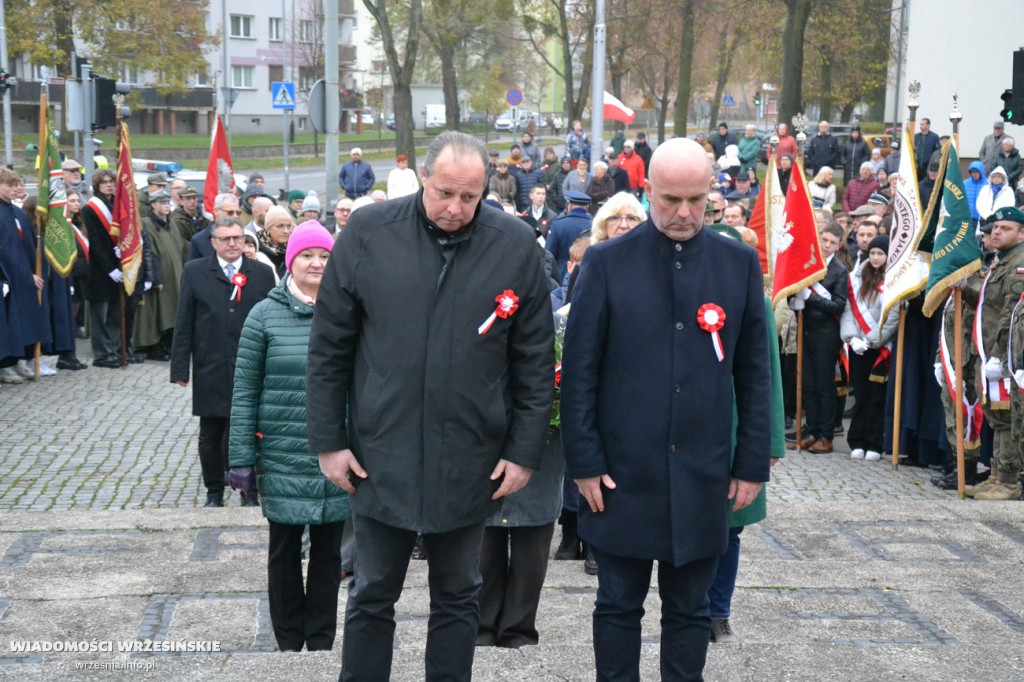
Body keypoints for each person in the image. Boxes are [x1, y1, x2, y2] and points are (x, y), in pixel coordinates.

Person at [306, 131, 554, 682]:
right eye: (445, 193)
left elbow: (534, 360)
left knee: (459, 595)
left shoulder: (513, 244)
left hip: (471, 455)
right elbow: (329, 346)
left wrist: (523, 451)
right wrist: (329, 441)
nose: (455, 209)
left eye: (470, 197)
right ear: (422, 177)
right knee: (371, 592)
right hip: (379, 451)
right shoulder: (369, 233)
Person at [561, 137, 770, 680]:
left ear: (712, 193)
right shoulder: (605, 263)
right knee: (616, 606)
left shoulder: (739, 264)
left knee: (690, 611)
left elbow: (754, 375)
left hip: (702, 474)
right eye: (671, 199)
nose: (683, 213)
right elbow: (579, 372)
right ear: (647, 190)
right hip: (619, 476)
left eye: (696, 200)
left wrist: (751, 464)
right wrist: (583, 462)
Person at [229, 220, 350, 652]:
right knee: (283, 551)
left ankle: (319, 639)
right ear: (290, 260)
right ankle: (287, 638)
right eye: (307, 256)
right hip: (281, 451)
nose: (316, 263)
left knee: (328, 551)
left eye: (325, 256)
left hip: (335, 452)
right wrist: (241, 456)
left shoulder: (348, 311)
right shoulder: (263, 314)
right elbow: (244, 389)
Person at [170, 218, 276, 508]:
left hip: (251, 365)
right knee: (211, 431)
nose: (232, 244)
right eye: (225, 239)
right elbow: (184, 321)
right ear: (213, 242)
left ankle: (249, 490)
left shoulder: (263, 273)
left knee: (249, 429)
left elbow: (272, 321)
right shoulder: (195, 272)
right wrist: (180, 368)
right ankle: (214, 490)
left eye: (237, 238)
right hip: (210, 364)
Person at [968, 206, 1024, 501]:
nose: (997, 232)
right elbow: (987, 304)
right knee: (998, 417)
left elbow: (1009, 314)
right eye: (996, 228)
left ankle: (1009, 480)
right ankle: (997, 474)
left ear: (1022, 233)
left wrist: (999, 356)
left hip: (1006, 358)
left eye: (1005, 228)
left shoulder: (1019, 263)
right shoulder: (1000, 262)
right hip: (990, 352)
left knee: (1009, 417)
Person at [791, 224, 848, 454]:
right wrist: (794, 302)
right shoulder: (808, 263)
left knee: (824, 384)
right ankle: (811, 429)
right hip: (806, 330)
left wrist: (810, 298)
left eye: (832, 242)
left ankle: (826, 433)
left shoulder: (839, 270)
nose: (826, 245)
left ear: (839, 245)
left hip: (826, 333)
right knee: (808, 383)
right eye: (823, 240)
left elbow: (838, 305)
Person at [840, 235, 898, 461]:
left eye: (880, 254)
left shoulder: (894, 279)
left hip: (880, 349)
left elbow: (893, 317)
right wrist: (852, 338)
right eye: (872, 253)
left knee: (877, 397)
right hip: (858, 347)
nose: (875, 257)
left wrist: (872, 340)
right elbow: (848, 309)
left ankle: (874, 442)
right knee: (861, 395)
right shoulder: (856, 277)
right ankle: (856, 440)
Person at [135, 190, 184, 361]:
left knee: (172, 311)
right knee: (159, 311)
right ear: (153, 205)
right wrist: (155, 277)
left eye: (167, 202)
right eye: (161, 202)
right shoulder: (148, 224)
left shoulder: (170, 224)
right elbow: (150, 252)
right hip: (160, 277)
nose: (166, 206)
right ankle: (155, 345)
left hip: (174, 276)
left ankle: (168, 344)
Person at [82, 169, 122, 369]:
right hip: (100, 270)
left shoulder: (118, 204)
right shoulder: (90, 208)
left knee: (115, 311)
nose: (108, 185)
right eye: (104, 182)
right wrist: (109, 268)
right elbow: (94, 243)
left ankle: (114, 348)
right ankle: (102, 353)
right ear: (97, 185)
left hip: (119, 264)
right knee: (101, 313)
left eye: (111, 182)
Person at [546, 190, 592, 280]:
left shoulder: (558, 224)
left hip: (562, 274)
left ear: (569, 206)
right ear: (587, 206)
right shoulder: (595, 225)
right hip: (589, 274)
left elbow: (549, 253)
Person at [259, 205, 294, 279]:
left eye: (289, 226)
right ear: (268, 228)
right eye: (280, 226)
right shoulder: (257, 248)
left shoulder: (294, 249)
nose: (286, 231)